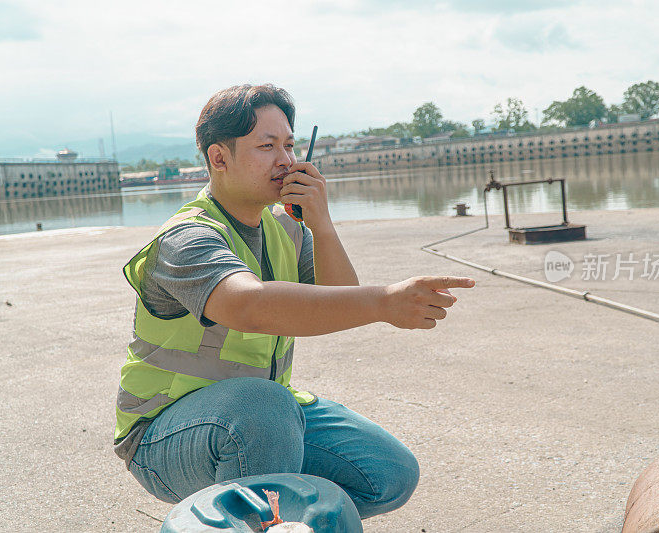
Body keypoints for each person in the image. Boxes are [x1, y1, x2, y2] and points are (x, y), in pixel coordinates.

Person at [113, 84, 475, 519]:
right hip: (166, 432)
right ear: (219, 158)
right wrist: (384, 302)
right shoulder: (186, 238)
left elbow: (337, 299)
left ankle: (274, 519)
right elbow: (248, 306)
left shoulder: (286, 228)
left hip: (263, 420)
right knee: (264, 406)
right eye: (266, 146)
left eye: (289, 145)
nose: (285, 160)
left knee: (388, 474)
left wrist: (320, 224)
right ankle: (247, 521)